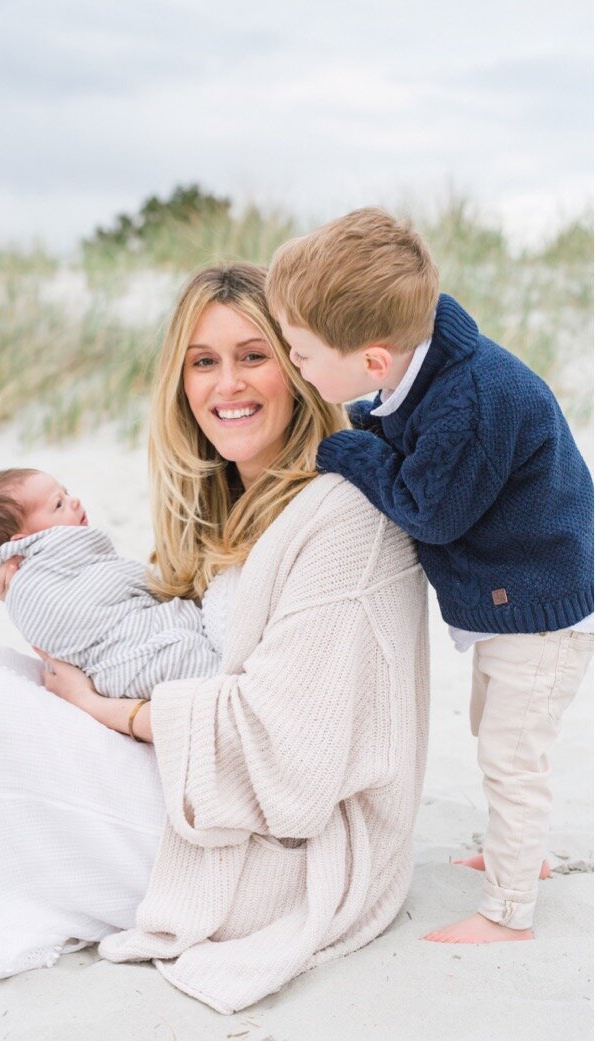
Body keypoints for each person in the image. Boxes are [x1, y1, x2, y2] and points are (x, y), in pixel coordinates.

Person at [0, 264, 429, 1015]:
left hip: (278, 849)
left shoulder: (344, 517)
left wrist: (106, 713)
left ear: (301, 367)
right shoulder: (230, 502)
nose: (228, 385)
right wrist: (26, 589)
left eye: (254, 356)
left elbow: (292, 755)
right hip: (201, 781)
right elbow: (141, 638)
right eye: (204, 362)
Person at [266, 206, 595, 945]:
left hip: (541, 604)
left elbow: (428, 509)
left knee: (512, 755)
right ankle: (523, 853)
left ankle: (510, 911)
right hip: (522, 589)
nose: (297, 367)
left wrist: (344, 449)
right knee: (494, 729)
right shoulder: (427, 358)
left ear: (373, 360)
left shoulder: (471, 402)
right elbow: (399, 423)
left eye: (301, 353)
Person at [0, 467, 217, 700]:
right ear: (24, 539)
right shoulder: (29, 586)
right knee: (194, 660)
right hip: (139, 658)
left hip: (113, 679)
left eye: (67, 493)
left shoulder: (41, 577)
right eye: (58, 504)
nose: (74, 501)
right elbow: (124, 587)